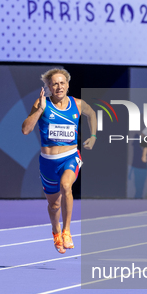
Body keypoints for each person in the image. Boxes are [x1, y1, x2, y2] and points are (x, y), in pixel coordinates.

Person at [21, 68, 97, 254]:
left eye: (62, 83)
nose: (59, 86)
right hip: (48, 162)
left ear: (68, 85)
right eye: (55, 83)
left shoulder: (77, 104)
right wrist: (39, 110)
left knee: (66, 186)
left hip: (70, 157)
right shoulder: (42, 104)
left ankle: (67, 230)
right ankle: (56, 231)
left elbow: (92, 114)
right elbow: (25, 130)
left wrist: (94, 135)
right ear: (48, 87)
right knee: (54, 205)